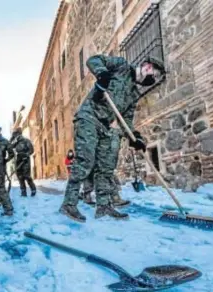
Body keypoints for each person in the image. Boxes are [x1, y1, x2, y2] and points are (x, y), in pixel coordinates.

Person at [60, 54, 165, 222]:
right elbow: (94, 60)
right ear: (148, 68)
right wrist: (102, 74)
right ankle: (69, 204)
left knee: (105, 167)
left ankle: (104, 206)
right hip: (88, 116)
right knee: (85, 161)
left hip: (105, 125)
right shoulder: (121, 66)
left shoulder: (133, 94)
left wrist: (135, 137)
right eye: (155, 76)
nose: (153, 80)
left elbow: (127, 120)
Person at [82, 127, 130, 207]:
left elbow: (123, 132)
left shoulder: (113, 132)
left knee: (106, 174)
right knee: (91, 174)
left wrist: (134, 137)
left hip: (105, 157)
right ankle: (88, 195)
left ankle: (114, 198)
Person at [11, 128, 37, 197]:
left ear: (19, 134)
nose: (16, 135)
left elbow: (31, 150)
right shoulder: (16, 142)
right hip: (19, 159)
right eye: (15, 134)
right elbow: (10, 146)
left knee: (26, 176)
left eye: (16, 134)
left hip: (25, 159)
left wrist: (26, 155)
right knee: (20, 176)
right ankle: (23, 191)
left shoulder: (26, 141)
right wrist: (12, 138)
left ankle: (33, 189)